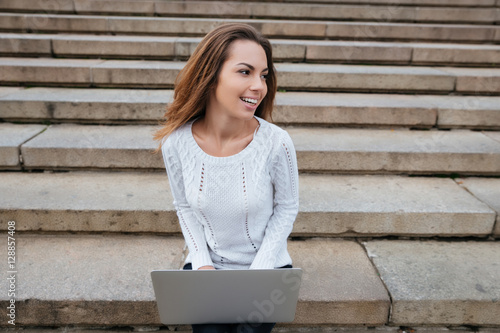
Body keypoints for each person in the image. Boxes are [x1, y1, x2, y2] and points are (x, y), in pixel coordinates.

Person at [153, 23, 299, 333]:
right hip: (208, 266)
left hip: (266, 266)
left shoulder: (277, 142)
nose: (259, 86)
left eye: (263, 75)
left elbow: (287, 207)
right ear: (210, 75)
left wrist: (261, 270)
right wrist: (202, 263)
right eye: (245, 72)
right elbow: (184, 207)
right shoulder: (176, 143)